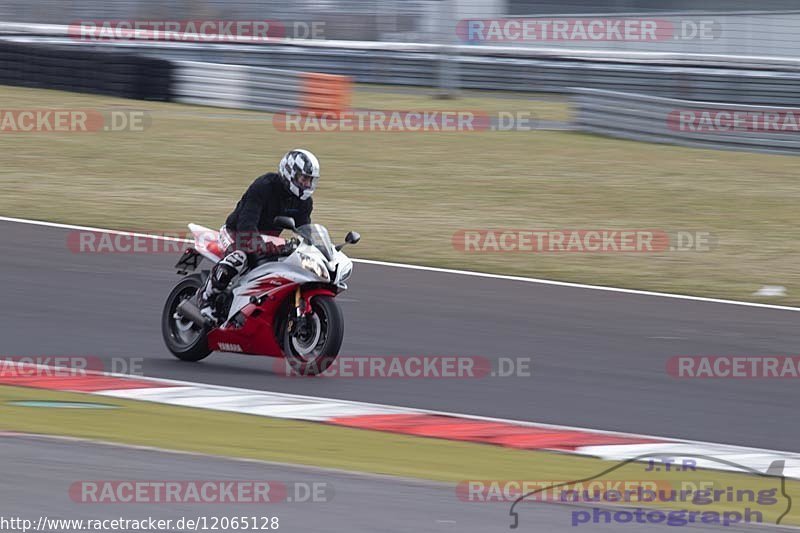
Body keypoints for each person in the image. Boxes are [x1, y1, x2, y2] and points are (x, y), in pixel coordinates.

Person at [197, 149, 320, 322]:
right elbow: (247, 221)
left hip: (268, 239)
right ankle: (206, 296)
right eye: (303, 178)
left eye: (310, 180)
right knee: (239, 257)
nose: (307, 184)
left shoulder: (304, 201)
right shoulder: (264, 186)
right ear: (289, 173)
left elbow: (304, 228)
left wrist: (315, 247)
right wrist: (255, 242)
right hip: (237, 232)